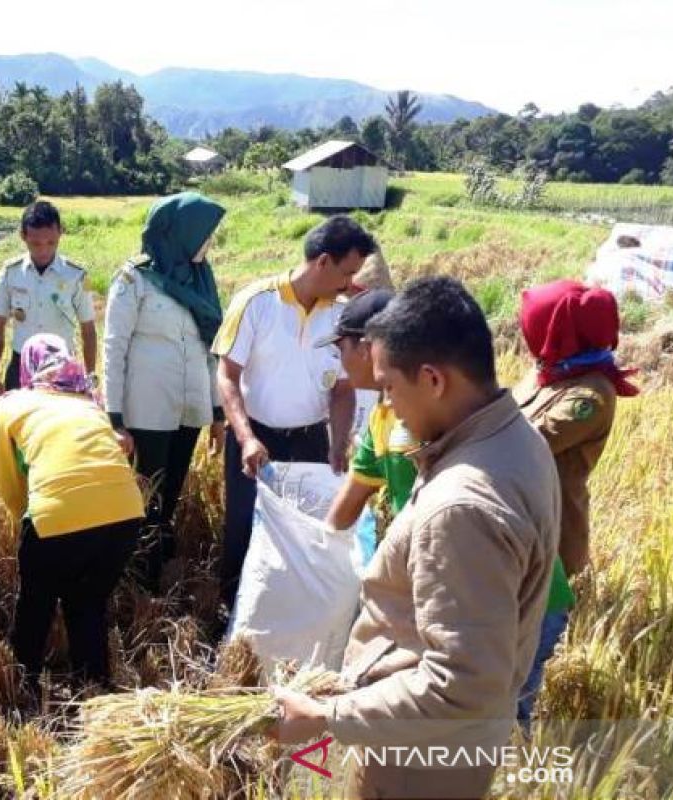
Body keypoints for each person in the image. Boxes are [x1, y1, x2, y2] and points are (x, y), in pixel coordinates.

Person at [273, 277, 561, 800]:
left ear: (432, 379)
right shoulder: (514, 436)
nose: (387, 405)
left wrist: (325, 716)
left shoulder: (462, 506)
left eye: (388, 389)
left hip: (419, 762)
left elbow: (462, 685)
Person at [212, 215, 374, 608]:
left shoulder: (340, 314)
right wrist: (246, 437)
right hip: (256, 442)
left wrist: (338, 443)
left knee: (303, 534)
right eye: (346, 272)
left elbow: (342, 388)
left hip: (310, 441)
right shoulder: (255, 302)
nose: (350, 283)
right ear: (322, 262)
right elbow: (227, 375)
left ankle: (287, 615)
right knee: (242, 531)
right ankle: (232, 620)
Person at [514, 279, 638, 727]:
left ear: (561, 332)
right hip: (514, 526)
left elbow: (527, 439)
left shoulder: (591, 395)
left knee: (524, 663)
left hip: (552, 540)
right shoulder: (548, 372)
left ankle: (514, 757)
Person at [0, 334, 144, 687]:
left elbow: (5, 477)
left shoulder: (11, 404)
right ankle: (93, 693)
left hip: (57, 514)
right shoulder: (89, 403)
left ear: (28, 369)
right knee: (88, 605)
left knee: (36, 606)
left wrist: (27, 519)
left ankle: (22, 690)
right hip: (126, 514)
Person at [103, 192, 226, 590]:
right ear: (181, 233)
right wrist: (115, 418)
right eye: (205, 234)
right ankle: (136, 576)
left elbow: (212, 351)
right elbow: (114, 347)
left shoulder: (202, 280)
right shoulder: (134, 278)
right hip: (146, 413)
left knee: (170, 493)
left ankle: (157, 569)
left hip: (188, 409)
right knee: (144, 496)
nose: (210, 242)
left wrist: (217, 412)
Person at [321, 289, 418, 534]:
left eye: (341, 350)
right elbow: (352, 496)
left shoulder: (424, 412)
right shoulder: (381, 416)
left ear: (365, 350)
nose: (340, 362)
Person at [0, 200, 97, 403]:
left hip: (62, 369)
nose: (43, 250)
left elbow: (88, 330)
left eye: (51, 243)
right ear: (23, 236)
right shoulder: (10, 273)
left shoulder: (77, 276)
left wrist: (90, 379)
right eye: (35, 243)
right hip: (21, 366)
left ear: (60, 233)